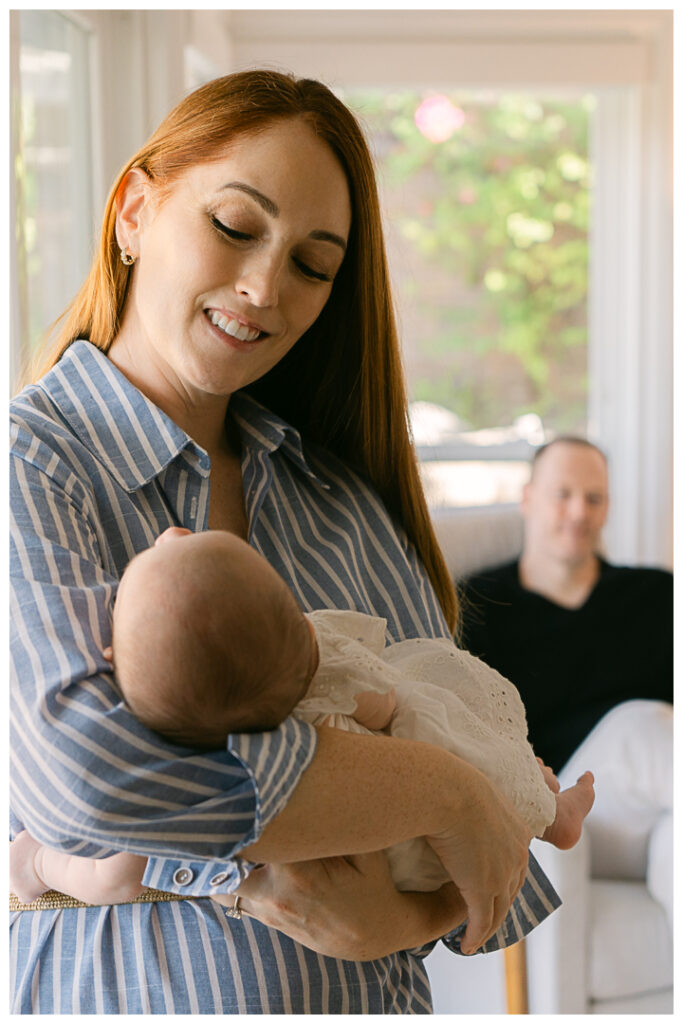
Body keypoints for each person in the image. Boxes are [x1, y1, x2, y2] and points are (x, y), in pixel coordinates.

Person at [10, 70, 555, 1014]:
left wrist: (396, 914)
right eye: (234, 225)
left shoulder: (340, 499)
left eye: (312, 263)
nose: (264, 287)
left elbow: (498, 842)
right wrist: (431, 791)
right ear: (135, 211)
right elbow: (93, 786)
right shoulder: (36, 465)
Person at [10, 527, 595, 912]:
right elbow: (388, 703)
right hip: (408, 862)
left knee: (115, 871)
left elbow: (110, 867)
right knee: (452, 725)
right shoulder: (322, 675)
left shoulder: (184, 763)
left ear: (111, 663)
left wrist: (38, 863)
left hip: (394, 870)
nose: (170, 534)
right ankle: (549, 809)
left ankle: (539, 802)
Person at [461, 436, 673, 926]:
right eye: (563, 494)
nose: (579, 511)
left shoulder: (658, 596)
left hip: (658, 808)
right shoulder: (479, 605)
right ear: (528, 498)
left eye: (594, 498)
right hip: (565, 820)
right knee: (640, 726)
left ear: (608, 509)